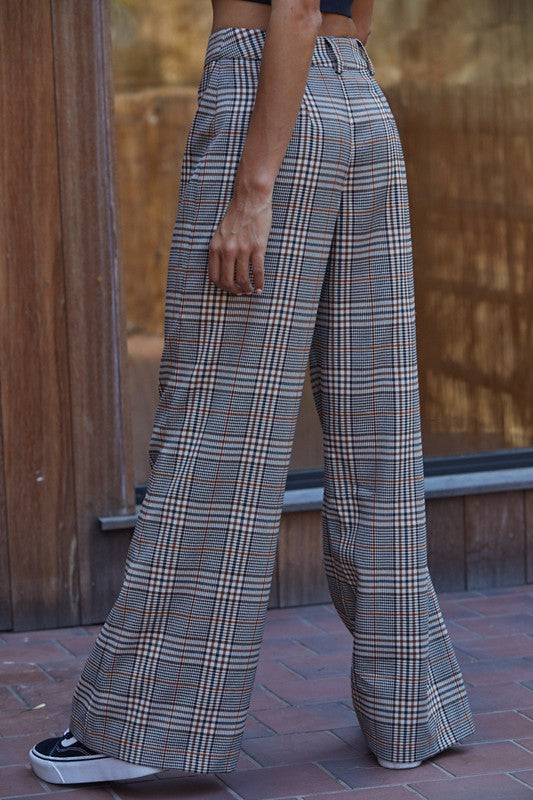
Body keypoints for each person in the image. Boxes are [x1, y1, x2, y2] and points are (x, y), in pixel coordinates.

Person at [29, 0, 476, 785]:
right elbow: (354, 15)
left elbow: (294, 10)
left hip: (267, 90)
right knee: (376, 429)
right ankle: (412, 708)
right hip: (361, 104)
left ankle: (147, 727)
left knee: (216, 427)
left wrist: (252, 190)